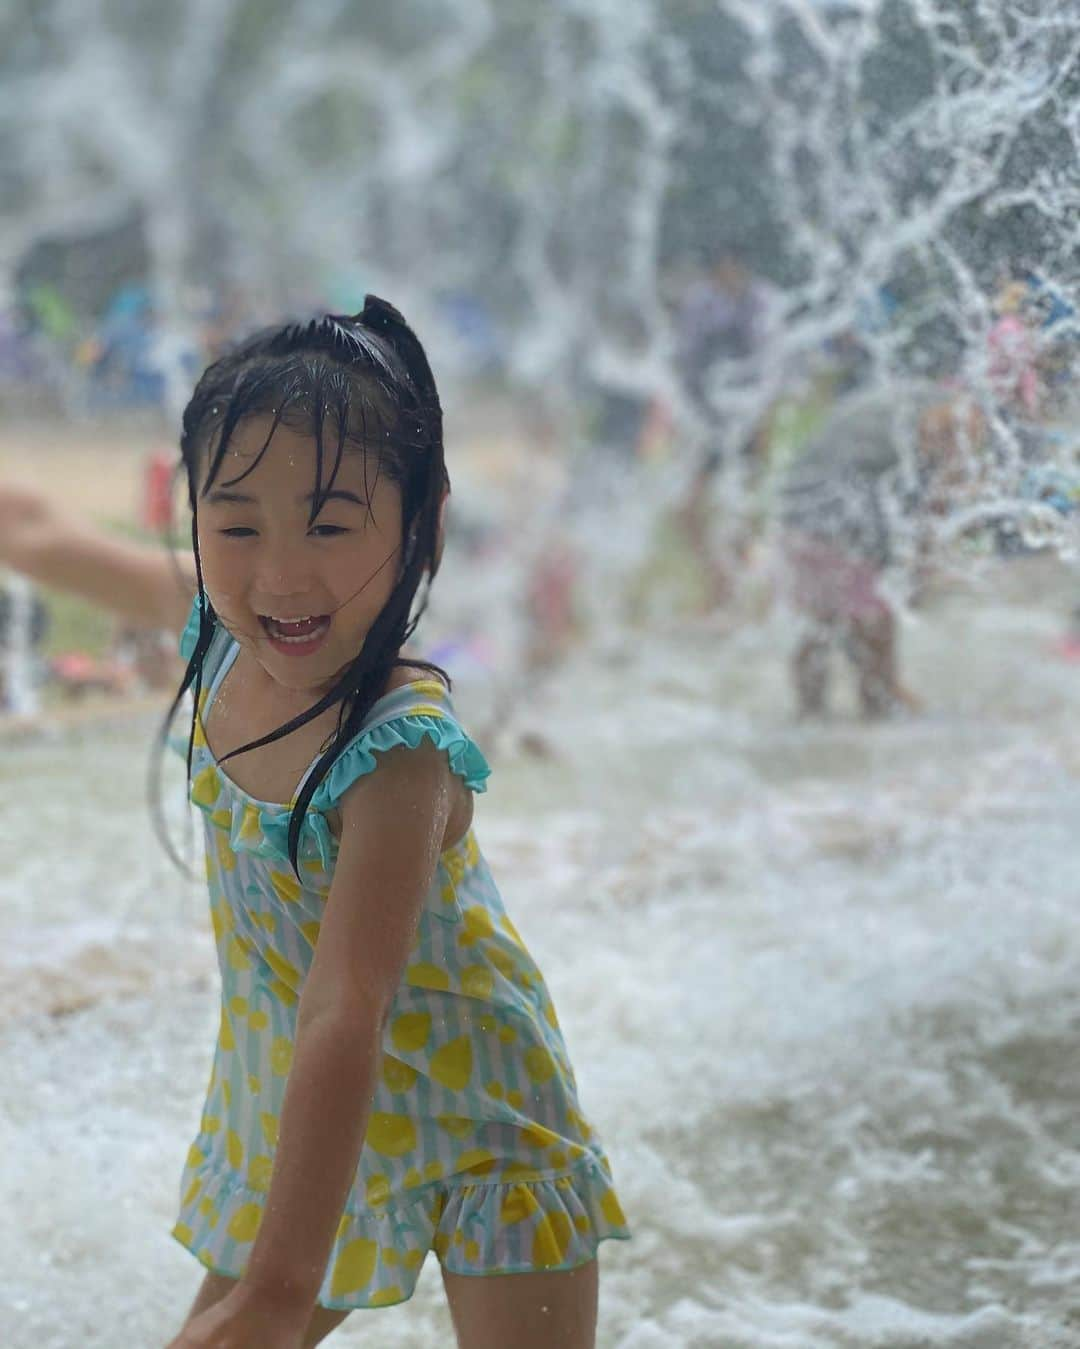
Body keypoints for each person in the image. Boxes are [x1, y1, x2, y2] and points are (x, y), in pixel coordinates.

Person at [0, 297, 629, 1349]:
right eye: (238, 524)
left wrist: (284, 1287)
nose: (282, 573)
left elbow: (349, 1003)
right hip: (300, 1104)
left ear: (420, 525)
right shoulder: (213, 637)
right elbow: (34, 530)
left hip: (479, 1110)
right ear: (193, 514)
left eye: (331, 524)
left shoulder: (399, 745)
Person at [778, 382, 977, 720]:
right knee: (874, 623)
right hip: (838, 526)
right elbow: (929, 500)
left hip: (796, 513)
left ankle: (809, 715)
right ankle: (881, 710)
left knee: (819, 624)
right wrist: (915, 568)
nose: (963, 456)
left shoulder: (895, 404)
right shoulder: (935, 421)